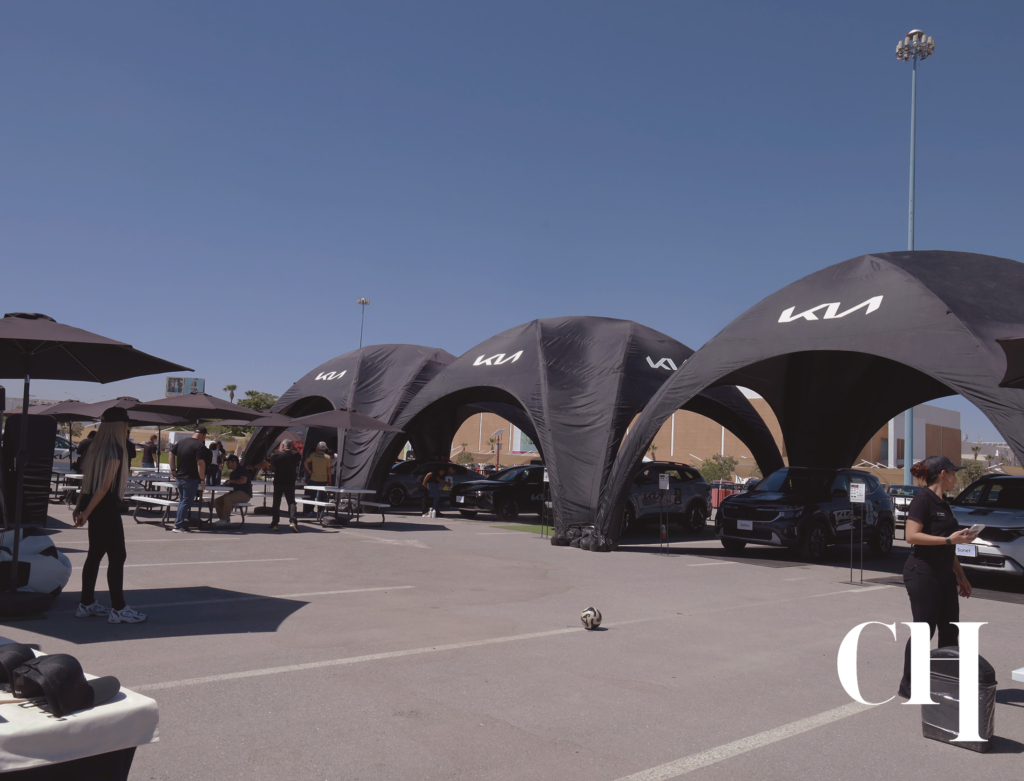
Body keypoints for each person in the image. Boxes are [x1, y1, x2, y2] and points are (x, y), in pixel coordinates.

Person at [897, 455, 980, 698]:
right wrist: (948, 539)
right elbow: (911, 536)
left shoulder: (943, 503)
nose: (956, 478)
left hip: (944, 574)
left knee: (950, 628)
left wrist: (960, 575)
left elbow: (948, 545)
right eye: (954, 473)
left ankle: (946, 681)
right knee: (924, 630)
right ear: (943, 474)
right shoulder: (922, 500)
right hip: (922, 572)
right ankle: (909, 685)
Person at [72, 407, 146, 624]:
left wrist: (81, 507)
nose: (128, 426)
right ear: (119, 425)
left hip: (93, 506)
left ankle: (86, 603)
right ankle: (119, 609)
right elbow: (104, 486)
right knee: (117, 556)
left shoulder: (96, 447)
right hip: (105, 508)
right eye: (126, 423)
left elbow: (88, 481)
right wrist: (85, 512)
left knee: (94, 555)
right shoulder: (115, 448)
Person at [169, 427, 211, 534]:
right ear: (203, 435)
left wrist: (173, 469)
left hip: (180, 476)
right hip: (190, 478)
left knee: (182, 501)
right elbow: (200, 463)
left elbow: (171, 453)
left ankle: (179, 523)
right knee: (186, 501)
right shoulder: (199, 446)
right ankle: (178, 525)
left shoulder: (181, 442)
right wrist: (202, 479)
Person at [257, 440, 302, 532]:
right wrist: (293, 447)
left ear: (282, 445)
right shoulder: (295, 454)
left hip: (279, 481)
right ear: (291, 446)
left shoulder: (277, 455)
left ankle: (275, 524)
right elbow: (300, 456)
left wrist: (253, 466)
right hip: (290, 481)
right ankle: (293, 521)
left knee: (276, 502)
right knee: (291, 502)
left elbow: (266, 464)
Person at [213, 454, 254, 526]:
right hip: (235, 493)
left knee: (228, 498)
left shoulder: (242, 469)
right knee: (218, 501)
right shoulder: (232, 473)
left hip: (244, 494)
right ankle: (224, 520)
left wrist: (231, 481)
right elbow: (233, 484)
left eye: (228, 462)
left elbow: (243, 480)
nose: (227, 464)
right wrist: (225, 485)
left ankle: (224, 520)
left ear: (234, 462)